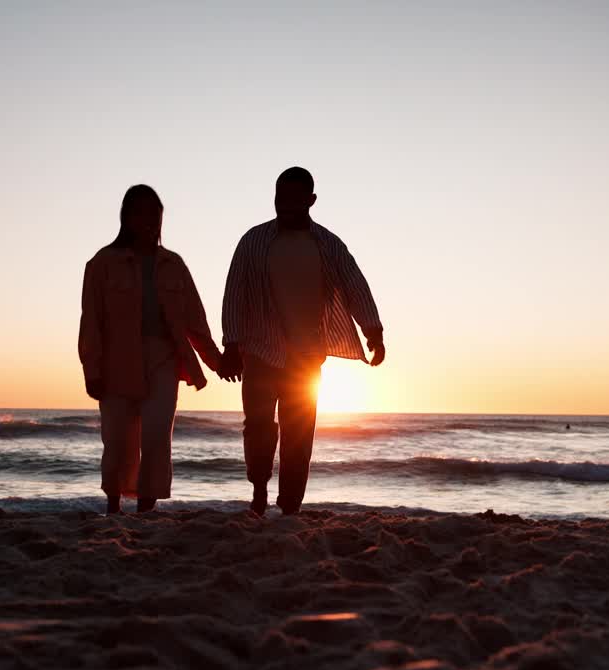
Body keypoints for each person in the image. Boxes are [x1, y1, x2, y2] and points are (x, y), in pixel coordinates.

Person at [219, 167, 386, 515]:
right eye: (280, 196)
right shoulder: (254, 241)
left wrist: (373, 330)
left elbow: (355, 284)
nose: (286, 203)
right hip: (260, 352)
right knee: (258, 428)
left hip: (306, 358)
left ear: (311, 200)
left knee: (299, 436)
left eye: (295, 197)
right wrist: (231, 345)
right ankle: (260, 490)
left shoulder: (327, 244)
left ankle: (291, 505)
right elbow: (235, 291)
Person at [78, 185, 222, 514]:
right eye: (141, 214)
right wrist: (92, 370)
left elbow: (195, 321)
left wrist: (216, 362)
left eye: (155, 216)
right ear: (126, 218)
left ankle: (145, 509)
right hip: (116, 361)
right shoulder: (102, 263)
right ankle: (113, 506)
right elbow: (91, 322)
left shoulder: (173, 264)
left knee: (157, 438)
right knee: (117, 441)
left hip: (164, 360)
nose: (149, 222)